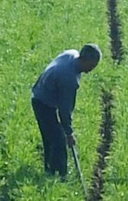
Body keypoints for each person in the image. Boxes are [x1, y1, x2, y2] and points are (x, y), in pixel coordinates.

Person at [32, 42, 102, 179]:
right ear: (84, 60)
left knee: (51, 137)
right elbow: (65, 110)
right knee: (58, 139)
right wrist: (69, 133)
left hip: (41, 94)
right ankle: (60, 175)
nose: (92, 69)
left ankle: (50, 170)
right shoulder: (69, 78)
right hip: (43, 102)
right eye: (92, 65)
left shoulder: (71, 54)